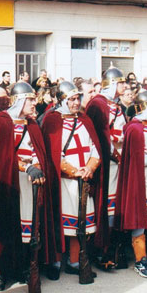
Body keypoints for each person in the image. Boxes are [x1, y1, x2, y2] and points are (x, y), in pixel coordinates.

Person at [0, 82, 53, 292]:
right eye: (31, 100)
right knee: (6, 226)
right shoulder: (3, 122)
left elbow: (38, 151)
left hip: (29, 186)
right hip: (8, 184)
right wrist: (27, 168)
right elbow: (2, 157)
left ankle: (25, 267)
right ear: (19, 101)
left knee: (29, 228)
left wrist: (37, 166)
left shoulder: (32, 124)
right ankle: (1, 272)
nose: (35, 104)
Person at [42, 81, 102, 280]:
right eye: (72, 99)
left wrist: (89, 168)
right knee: (60, 222)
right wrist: (75, 171)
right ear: (62, 100)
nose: (77, 103)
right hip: (63, 183)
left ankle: (74, 262)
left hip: (84, 181)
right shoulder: (52, 120)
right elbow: (52, 155)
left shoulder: (85, 120)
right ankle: (55, 261)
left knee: (80, 225)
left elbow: (95, 148)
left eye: (78, 98)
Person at [116, 90, 147, 278]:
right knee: (140, 219)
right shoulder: (134, 128)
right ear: (144, 108)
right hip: (140, 178)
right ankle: (141, 259)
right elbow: (138, 159)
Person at [86, 65, 127, 270]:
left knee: (114, 207)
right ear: (112, 83)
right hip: (106, 167)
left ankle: (113, 251)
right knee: (105, 208)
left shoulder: (115, 105)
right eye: (120, 82)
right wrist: (115, 154)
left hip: (116, 166)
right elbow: (100, 136)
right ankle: (101, 253)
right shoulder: (98, 104)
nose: (124, 86)